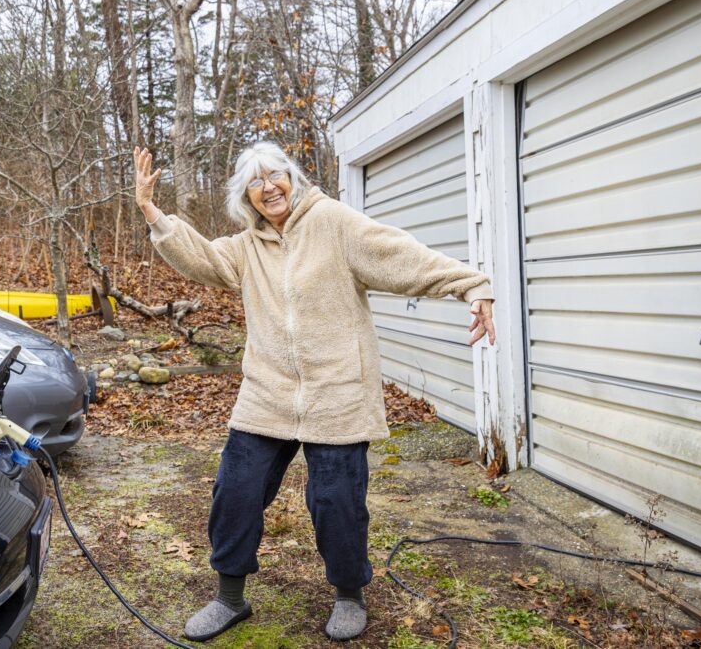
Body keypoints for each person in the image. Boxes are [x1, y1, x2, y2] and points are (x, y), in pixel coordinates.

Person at [133, 142, 496, 641]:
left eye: (275, 175)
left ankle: (349, 594)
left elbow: (402, 256)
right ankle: (229, 598)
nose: (268, 187)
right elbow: (199, 256)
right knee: (234, 493)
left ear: (292, 178)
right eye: (256, 182)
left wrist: (471, 285)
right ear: (248, 197)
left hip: (337, 391)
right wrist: (154, 212)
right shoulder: (246, 248)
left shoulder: (334, 223)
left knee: (336, 501)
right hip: (267, 393)